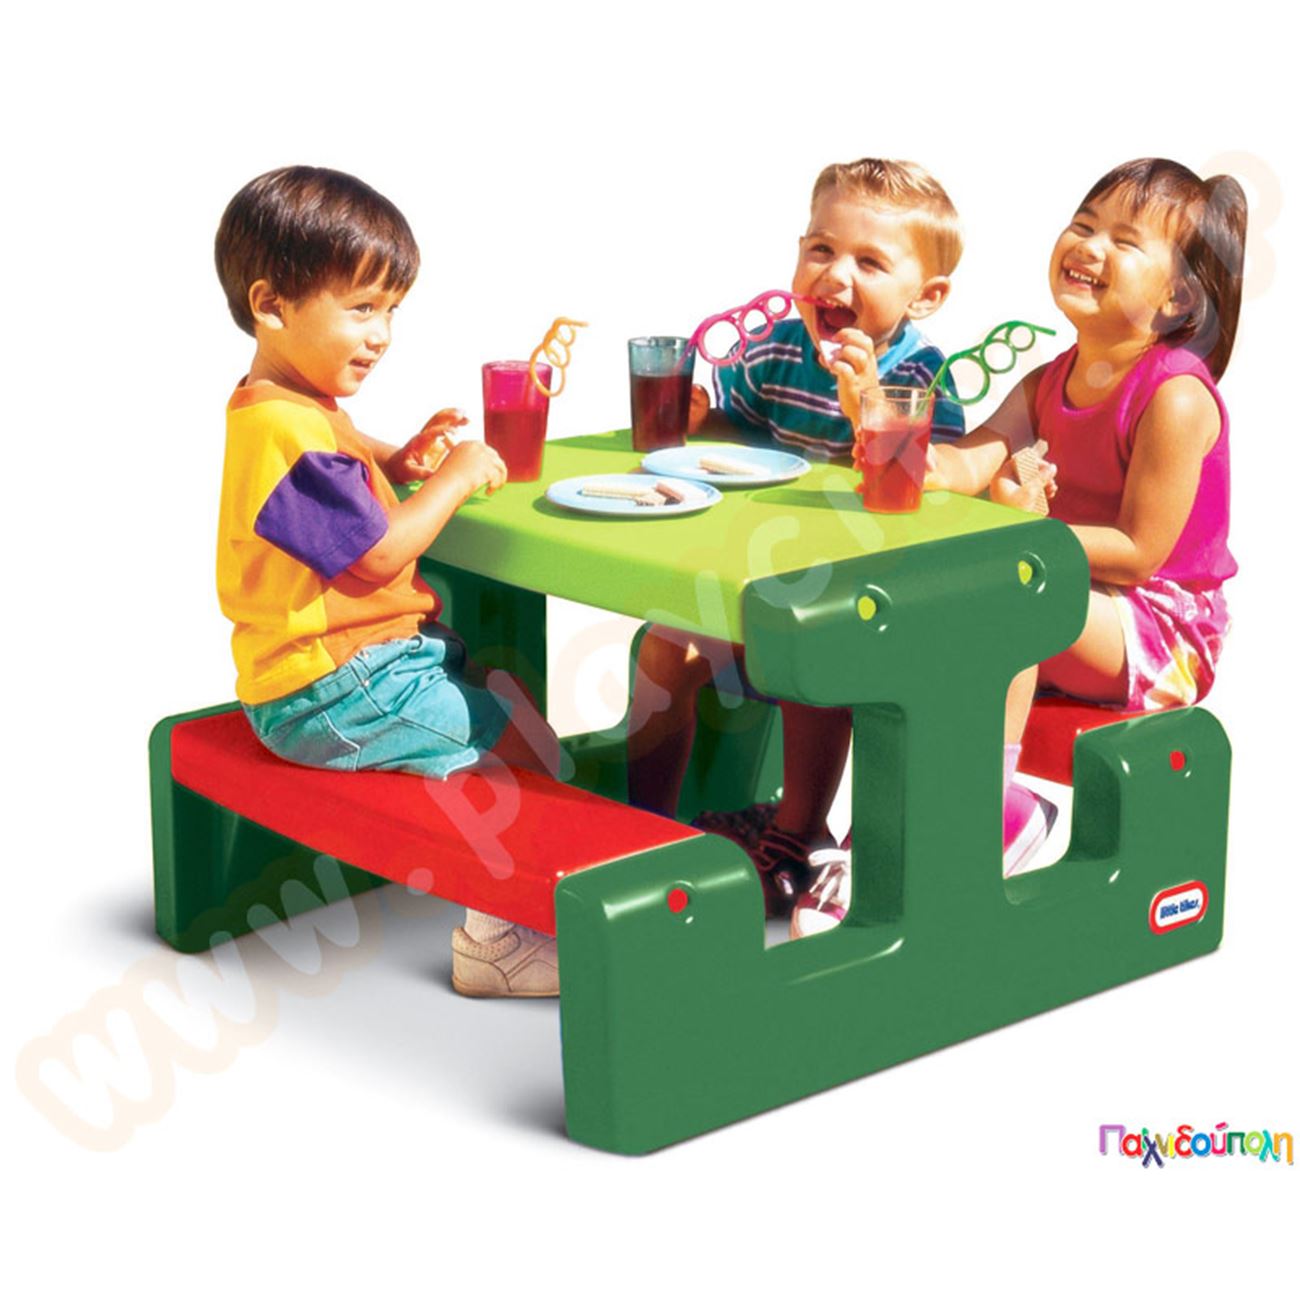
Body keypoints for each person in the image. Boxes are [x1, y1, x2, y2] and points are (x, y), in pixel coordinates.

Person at [799, 157, 1247, 935]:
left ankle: (993, 814)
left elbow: (1140, 552)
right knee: (926, 616)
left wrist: (1027, 535)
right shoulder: (1047, 382)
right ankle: (882, 837)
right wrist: (869, 403)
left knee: (1004, 592)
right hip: (1062, 590)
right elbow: (952, 469)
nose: (1090, 246)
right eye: (1084, 225)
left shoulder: (1175, 395)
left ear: (1177, 297)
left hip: (1161, 632)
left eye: (1124, 241)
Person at [214, 165, 564, 997]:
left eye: (392, 311)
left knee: (515, 715)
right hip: (333, 688)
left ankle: (526, 890)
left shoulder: (281, 402)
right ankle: (499, 943)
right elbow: (376, 555)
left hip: (333, 675)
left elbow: (342, 447)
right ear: (272, 305)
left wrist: (399, 459)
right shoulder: (286, 432)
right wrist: (455, 477)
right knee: (518, 758)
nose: (382, 335)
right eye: (362, 308)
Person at [627, 157, 965, 918]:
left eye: (870, 262)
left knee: (807, 663)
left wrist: (865, 401)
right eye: (821, 249)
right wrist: (702, 419)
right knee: (661, 645)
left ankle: (799, 830)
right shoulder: (779, 348)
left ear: (927, 295)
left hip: (861, 604)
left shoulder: (921, 375)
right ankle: (644, 828)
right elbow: (739, 436)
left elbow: (928, 490)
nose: (834, 275)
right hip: (759, 578)